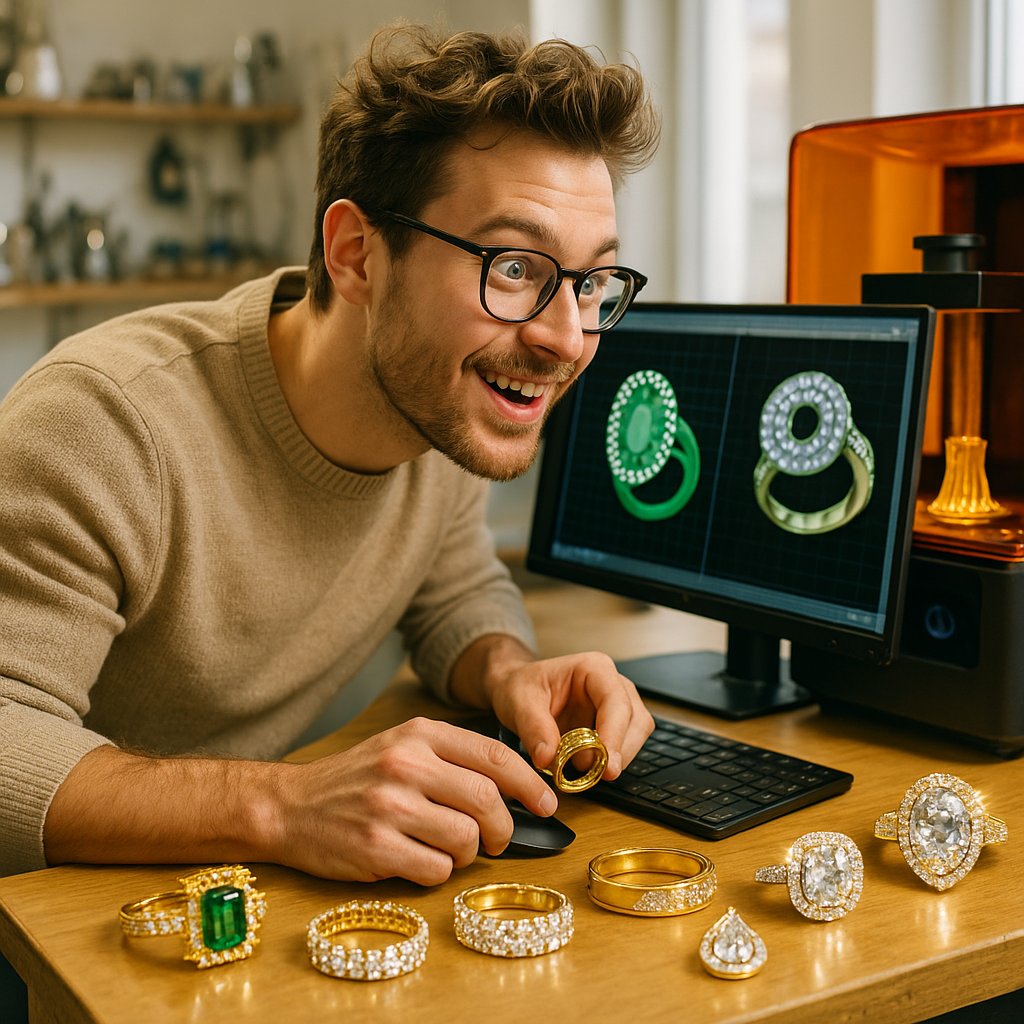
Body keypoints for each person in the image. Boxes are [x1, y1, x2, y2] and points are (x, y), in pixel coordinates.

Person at [0, 22, 660, 884]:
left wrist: (511, 672)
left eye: (590, 282)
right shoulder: (106, 423)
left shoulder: (446, 410)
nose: (567, 337)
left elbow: (453, 585)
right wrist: (285, 805)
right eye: (512, 268)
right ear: (355, 254)